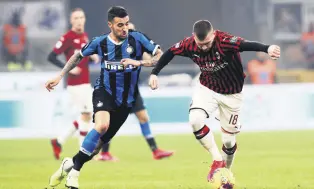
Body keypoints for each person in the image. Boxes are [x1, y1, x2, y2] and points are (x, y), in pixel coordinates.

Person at [148, 20, 280, 181]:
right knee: (195, 120)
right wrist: (155, 73)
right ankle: (217, 160)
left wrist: (267, 48)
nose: (203, 47)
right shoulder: (189, 45)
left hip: (232, 95)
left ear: (214, 34)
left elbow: (246, 45)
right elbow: (170, 52)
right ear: (193, 37)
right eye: (200, 44)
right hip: (207, 88)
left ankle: (226, 174)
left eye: (207, 43)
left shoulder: (225, 41)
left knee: (229, 141)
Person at [46, 6, 162, 188]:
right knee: (101, 125)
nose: (124, 28)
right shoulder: (99, 42)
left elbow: (159, 56)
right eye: (120, 25)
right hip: (104, 92)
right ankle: (74, 176)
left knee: (94, 150)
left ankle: (69, 165)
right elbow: (78, 56)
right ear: (110, 25)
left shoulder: (138, 38)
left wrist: (139, 62)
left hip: (126, 102)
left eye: (126, 24)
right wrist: (60, 75)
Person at [96, 22, 173, 161]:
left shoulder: (136, 47)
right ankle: (104, 152)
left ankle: (155, 150)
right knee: (109, 122)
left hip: (132, 89)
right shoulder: (112, 47)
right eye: (124, 28)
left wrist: (145, 61)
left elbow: (152, 60)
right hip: (114, 89)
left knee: (143, 117)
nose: (127, 31)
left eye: (131, 29)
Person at [48, 8, 99, 160]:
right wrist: (69, 69)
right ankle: (83, 151)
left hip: (85, 82)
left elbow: (83, 55)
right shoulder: (67, 37)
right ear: (71, 21)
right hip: (75, 84)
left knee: (87, 115)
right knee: (87, 114)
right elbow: (51, 57)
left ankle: (59, 141)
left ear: (84, 19)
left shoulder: (84, 36)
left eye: (81, 17)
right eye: (76, 18)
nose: (79, 20)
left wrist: (92, 57)